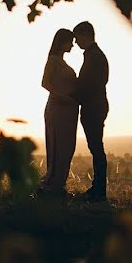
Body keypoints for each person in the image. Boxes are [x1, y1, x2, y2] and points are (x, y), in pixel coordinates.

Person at [38, 28, 79, 197]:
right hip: (58, 110)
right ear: (62, 42)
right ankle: (52, 186)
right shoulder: (53, 61)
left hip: (68, 111)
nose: (73, 45)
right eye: (70, 41)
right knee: (57, 147)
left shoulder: (61, 62)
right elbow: (45, 83)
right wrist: (63, 98)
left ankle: (58, 185)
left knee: (67, 147)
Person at [72, 21, 109, 201]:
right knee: (96, 147)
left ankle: (99, 189)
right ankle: (98, 188)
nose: (75, 42)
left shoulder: (94, 56)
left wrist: (73, 93)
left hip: (93, 106)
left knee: (96, 148)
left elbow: (89, 83)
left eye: (77, 37)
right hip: (96, 105)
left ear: (85, 35)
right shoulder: (95, 55)